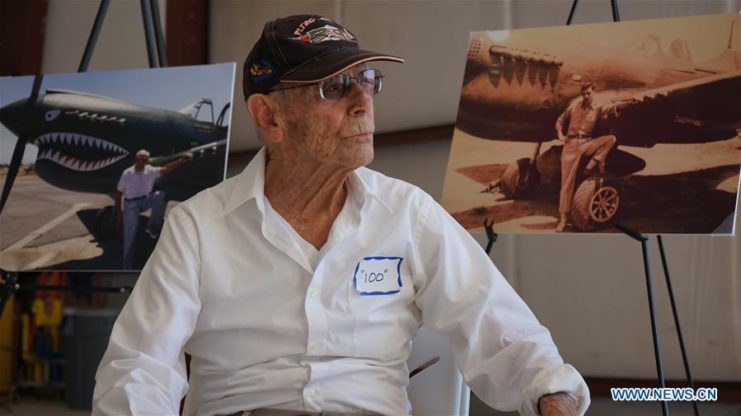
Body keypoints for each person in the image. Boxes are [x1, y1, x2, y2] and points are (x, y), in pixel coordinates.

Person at [94, 15, 590, 415]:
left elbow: (504, 330)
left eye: (368, 81)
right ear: (269, 117)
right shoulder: (198, 227)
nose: (363, 103)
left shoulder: (408, 214)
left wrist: (554, 397)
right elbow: (140, 368)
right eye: (334, 88)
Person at [554, 82, 618, 233]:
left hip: (586, 143)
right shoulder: (574, 106)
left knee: (611, 139)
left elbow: (611, 108)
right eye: (584, 94)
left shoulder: (597, 107)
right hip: (570, 146)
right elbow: (559, 121)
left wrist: (624, 104)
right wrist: (560, 135)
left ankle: (591, 164)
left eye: (589, 93)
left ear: (593, 92)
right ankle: (563, 219)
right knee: (566, 184)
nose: (586, 96)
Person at [115, 149, 192, 269]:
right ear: (135, 160)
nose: (141, 161)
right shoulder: (127, 173)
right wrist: (119, 215)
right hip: (130, 205)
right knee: (129, 237)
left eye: (144, 159)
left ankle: (153, 226)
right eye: (139, 159)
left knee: (159, 195)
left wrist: (182, 160)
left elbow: (166, 169)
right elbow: (119, 194)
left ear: (147, 161)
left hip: (144, 200)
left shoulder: (150, 170)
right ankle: (126, 265)